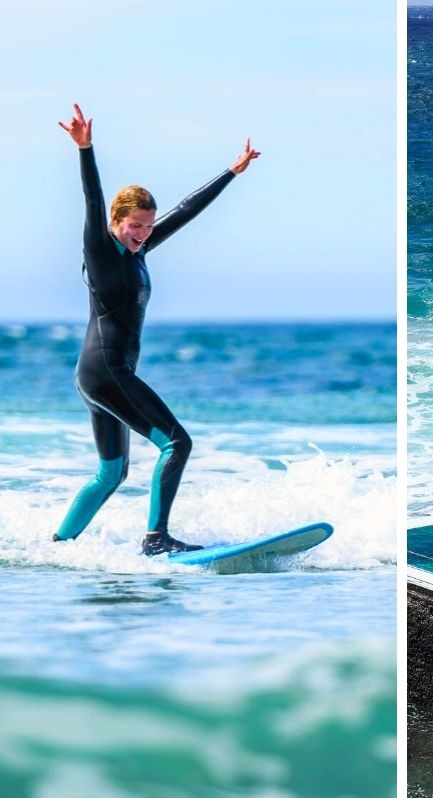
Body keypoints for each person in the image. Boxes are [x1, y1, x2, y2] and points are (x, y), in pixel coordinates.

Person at [53, 104, 259, 556]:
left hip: (95, 374)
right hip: (107, 371)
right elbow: (92, 199)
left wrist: (232, 172)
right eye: (135, 226)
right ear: (116, 221)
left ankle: (57, 545)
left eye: (148, 226)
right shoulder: (102, 248)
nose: (144, 234)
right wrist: (85, 150)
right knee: (177, 443)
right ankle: (156, 538)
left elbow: (186, 211)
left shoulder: (137, 253)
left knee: (111, 473)